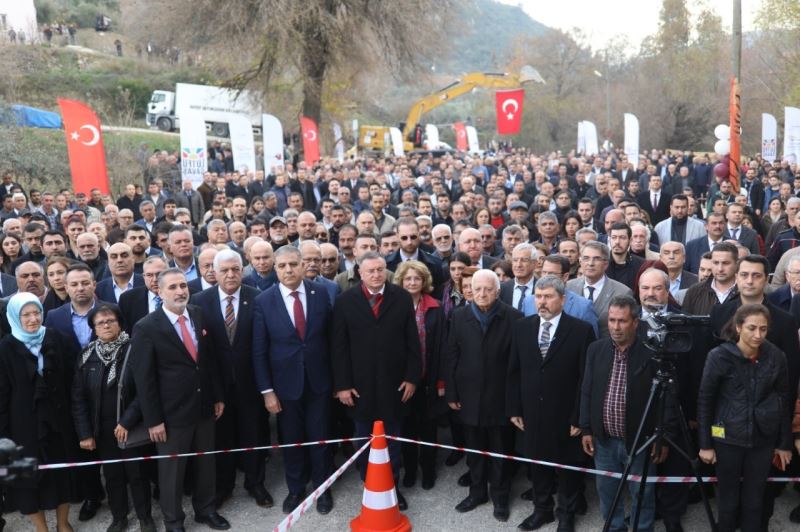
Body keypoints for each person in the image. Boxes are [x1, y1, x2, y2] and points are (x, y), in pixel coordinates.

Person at [130, 268, 228, 531]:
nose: (180, 291)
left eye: (183, 285)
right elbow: (144, 380)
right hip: (171, 415)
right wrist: (153, 420)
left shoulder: (198, 314)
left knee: (206, 463)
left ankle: (206, 510)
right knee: (172, 473)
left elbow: (209, 362)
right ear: (159, 292)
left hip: (204, 406)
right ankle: (173, 521)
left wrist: (217, 397)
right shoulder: (146, 327)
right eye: (172, 287)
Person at [331, 251, 420, 510]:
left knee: (392, 439)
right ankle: (369, 485)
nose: (376, 275)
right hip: (359, 387)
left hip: (395, 385)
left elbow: (413, 342)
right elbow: (339, 347)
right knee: (363, 439)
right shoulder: (345, 301)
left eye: (380, 270)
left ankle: (392, 486)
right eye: (370, 270)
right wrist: (343, 385)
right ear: (360, 272)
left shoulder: (401, 298)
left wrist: (412, 378)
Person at [507, 276, 595, 532]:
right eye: (538, 296)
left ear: (563, 300)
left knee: (568, 468)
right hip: (532, 413)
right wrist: (514, 408)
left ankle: (566, 514)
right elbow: (514, 370)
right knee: (538, 465)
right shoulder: (522, 327)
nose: (542, 302)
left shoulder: (581, 331)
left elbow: (585, 379)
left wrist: (580, 417)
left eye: (548, 297)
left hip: (566, 415)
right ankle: (542, 510)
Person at [252, 246, 334, 515]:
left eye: (293, 264)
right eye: (282, 265)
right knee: (292, 439)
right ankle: (296, 488)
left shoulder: (320, 293)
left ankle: (323, 488)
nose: (288, 270)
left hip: (319, 382)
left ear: (302, 265)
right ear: (275, 268)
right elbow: (260, 350)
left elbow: (331, 341)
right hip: (284, 387)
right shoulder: (264, 300)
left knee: (320, 438)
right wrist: (267, 391)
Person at [697, 304, 793, 532]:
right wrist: (705, 444)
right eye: (752, 328)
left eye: (763, 329)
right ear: (738, 327)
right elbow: (705, 400)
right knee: (728, 503)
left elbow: (783, 400)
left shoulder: (776, 356)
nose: (758, 335)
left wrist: (784, 443)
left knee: (754, 502)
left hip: (762, 440)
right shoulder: (718, 356)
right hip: (727, 439)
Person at [579, 295, 671, 532]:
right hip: (604, 441)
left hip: (640, 442)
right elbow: (587, 390)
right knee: (607, 493)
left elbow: (667, 399)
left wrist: (661, 437)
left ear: (635, 322)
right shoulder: (596, 349)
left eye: (622, 321)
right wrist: (586, 428)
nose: (616, 327)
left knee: (642, 494)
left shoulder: (651, 353)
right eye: (611, 320)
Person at [190, 249, 271, 510]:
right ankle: (224, 487)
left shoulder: (257, 297)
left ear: (242, 269)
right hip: (218, 385)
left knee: (254, 434)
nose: (230, 274)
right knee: (221, 439)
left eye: (235, 269)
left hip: (250, 382)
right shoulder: (200, 301)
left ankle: (255, 483)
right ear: (214, 272)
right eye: (224, 270)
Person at [445, 269, 522, 522]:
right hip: (468, 398)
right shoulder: (458, 316)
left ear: (498, 291)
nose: (482, 293)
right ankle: (477, 493)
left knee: (500, 453)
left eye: (488, 289)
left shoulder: (513, 318)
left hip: (500, 399)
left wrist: (514, 405)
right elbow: (452, 356)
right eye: (477, 289)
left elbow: (516, 365)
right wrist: (452, 392)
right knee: (474, 452)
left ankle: (500, 497)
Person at [71, 303, 155, 532]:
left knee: (137, 474)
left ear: (120, 323)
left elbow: (144, 391)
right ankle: (119, 517)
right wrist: (85, 433)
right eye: (100, 322)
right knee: (113, 475)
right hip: (102, 429)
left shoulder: (133, 349)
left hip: (130, 425)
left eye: (111, 320)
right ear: (93, 328)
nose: (106, 325)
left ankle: (145, 517)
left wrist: (126, 421)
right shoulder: (86, 355)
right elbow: (78, 398)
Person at [0, 293, 79, 532]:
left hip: (59, 421)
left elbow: (71, 381)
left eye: (36, 313)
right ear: (15, 316)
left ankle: (63, 524)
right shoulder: (5, 348)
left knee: (62, 474)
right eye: (26, 315)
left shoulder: (56, 338)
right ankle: (41, 528)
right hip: (22, 426)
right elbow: (2, 394)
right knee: (28, 480)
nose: (33, 319)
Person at [393, 260, 446, 490]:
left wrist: (441, 381)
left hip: (429, 379)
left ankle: (428, 469)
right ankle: (411, 470)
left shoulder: (435, 307)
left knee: (428, 428)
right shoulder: (393, 306)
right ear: (401, 282)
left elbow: (443, 346)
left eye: (417, 278)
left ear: (424, 281)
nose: (412, 282)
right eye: (408, 279)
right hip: (403, 380)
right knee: (406, 427)